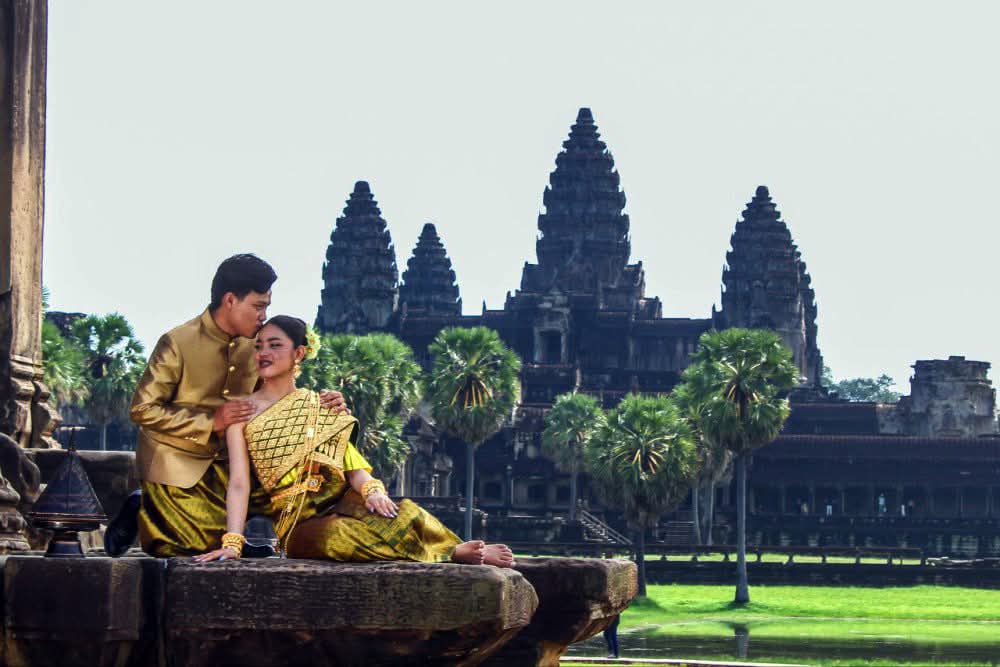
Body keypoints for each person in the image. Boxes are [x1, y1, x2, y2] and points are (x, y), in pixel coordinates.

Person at [195, 316, 514, 567]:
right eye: (259, 345)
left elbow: (352, 465)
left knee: (404, 512)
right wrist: (232, 542)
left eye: (274, 345)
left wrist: (372, 491)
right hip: (298, 521)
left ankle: (452, 549)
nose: (264, 353)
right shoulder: (242, 412)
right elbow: (239, 484)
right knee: (337, 535)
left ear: (299, 353)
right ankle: (448, 554)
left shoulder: (322, 405)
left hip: (343, 499)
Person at [105, 254, 348, 557]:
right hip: (181, 461)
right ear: (231, 300)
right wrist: (212, 421)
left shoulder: (257, 345)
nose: (263, 317)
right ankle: (143, 505)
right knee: (183, 550)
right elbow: (142, 409)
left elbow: (274, 397)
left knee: (309, 487)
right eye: (258, 307)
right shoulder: (178, 342)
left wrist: (325, 407)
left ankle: (233, 534)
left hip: (240, 462)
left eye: (266, 308)